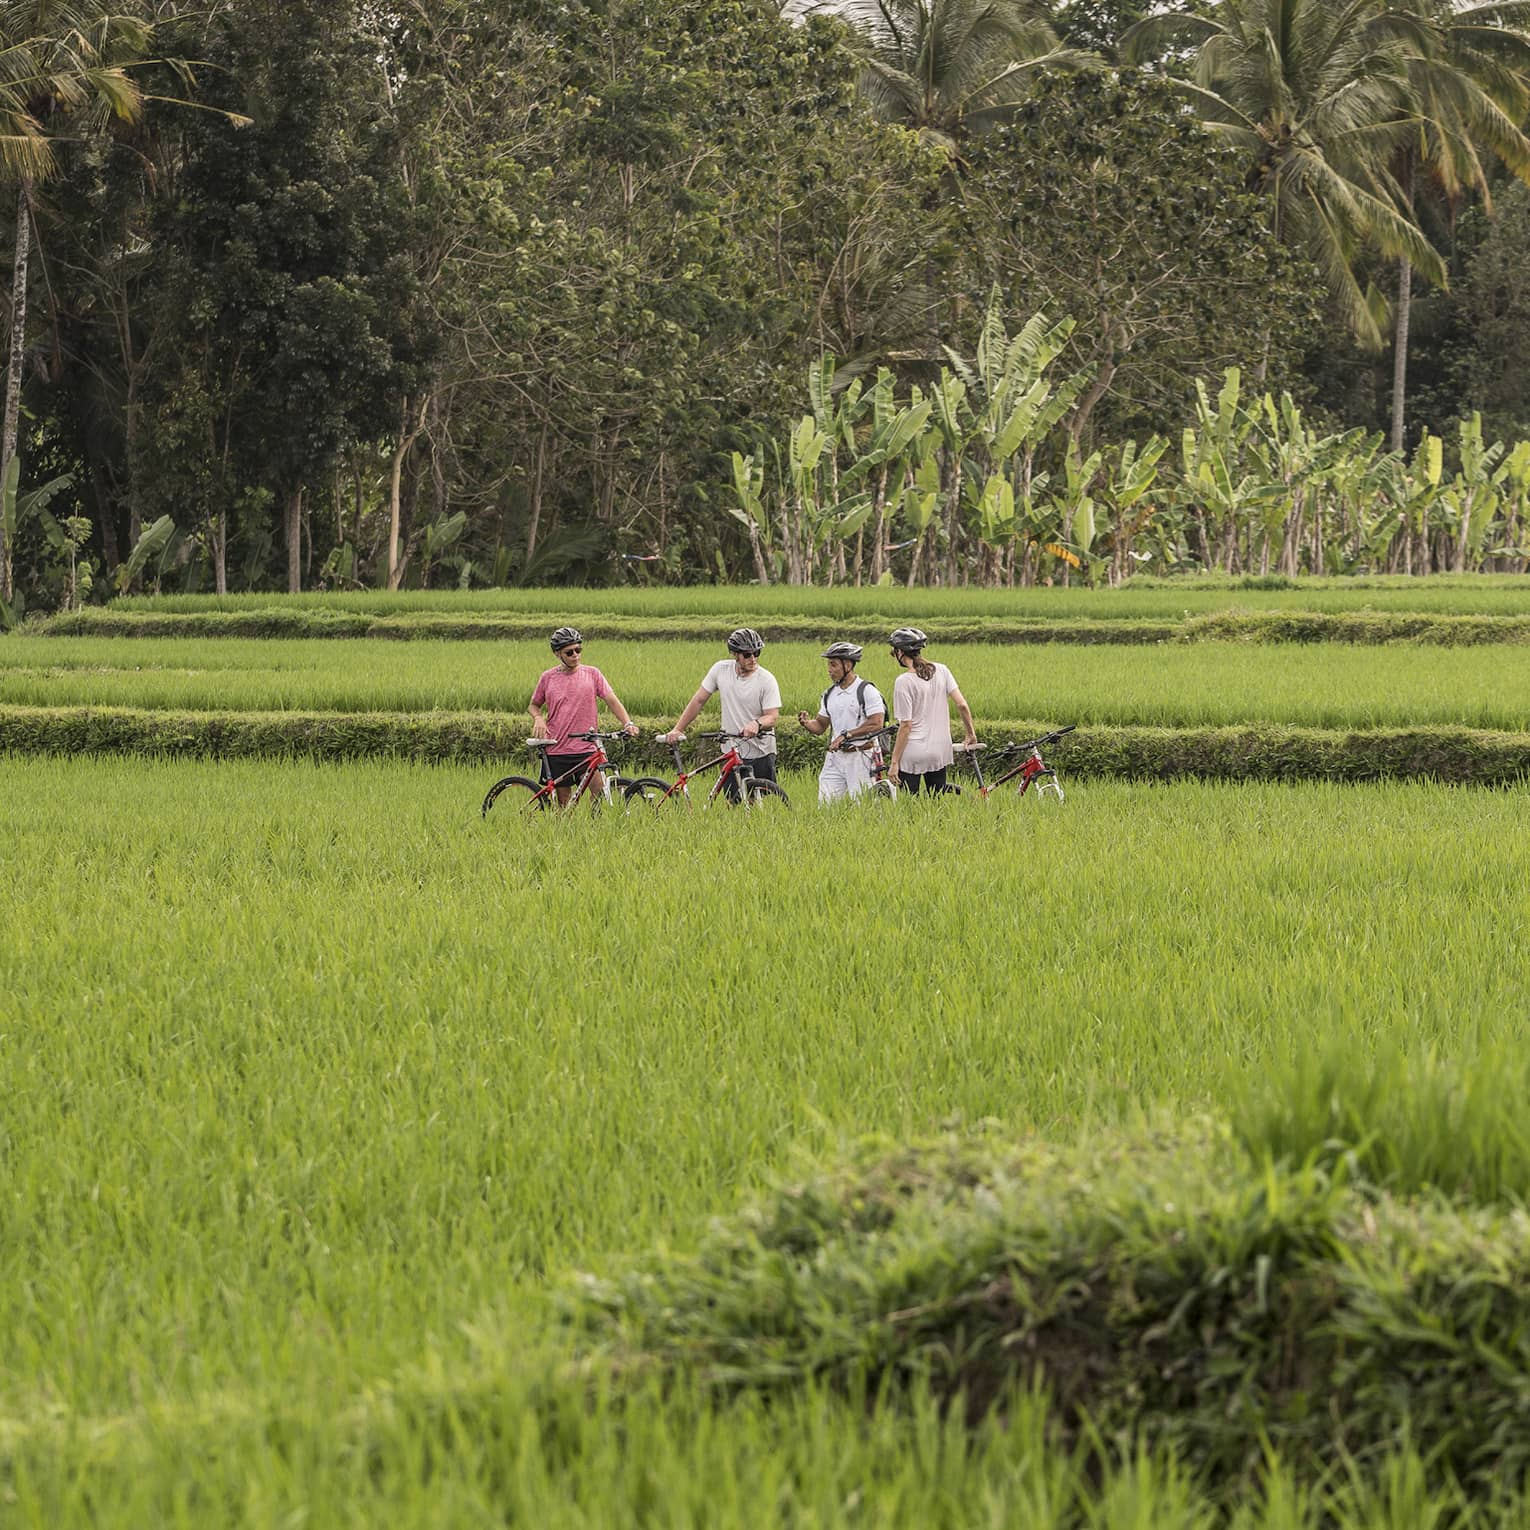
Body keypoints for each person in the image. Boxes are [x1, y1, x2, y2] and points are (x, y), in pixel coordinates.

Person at [657, 628, 782, 796]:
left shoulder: (767, 680)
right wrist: (678, 729)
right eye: (747, 654)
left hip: (761, 751)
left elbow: (772, 716)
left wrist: (757, 724)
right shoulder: (720, 670)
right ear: (735, 654)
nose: (753, 658)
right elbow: (699, 700)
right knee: (733, 803)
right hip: (732, 748)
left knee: (761, 801)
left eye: (757, 652)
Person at [528, 627, 639, 805]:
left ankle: (596, 828)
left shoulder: (592, 674)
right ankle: (561, 832)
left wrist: (628, 723)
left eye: (578, 650)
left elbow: (612, 700)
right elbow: (534, 705)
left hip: (587, 748)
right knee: (563, 802)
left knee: (600, 792)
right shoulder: (548, 678)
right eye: (569, 652)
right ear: (557, 653)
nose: (575, 655)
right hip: (558, 747)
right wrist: (538, 718)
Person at [885, 627, 977, 795]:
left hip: (914, 751)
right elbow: (962, 704)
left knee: (910, 805)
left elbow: (905, 726)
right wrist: (970, 733)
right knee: (936, 800)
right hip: (940, 749)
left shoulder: (903, 681)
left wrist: (894, 762)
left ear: (900, 652)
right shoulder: (942, 670)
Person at [796, 641, 887, 803]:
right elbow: (820, 726)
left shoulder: (867, 691)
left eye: (833, 665)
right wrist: (806, 723)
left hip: (862, 757)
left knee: (864, 807)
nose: (829, 670)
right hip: (835, 759)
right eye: (829, 665)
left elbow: (877, 722)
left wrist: (846, 735)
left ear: (848, 665)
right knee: (825, 805)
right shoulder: (829, 694)